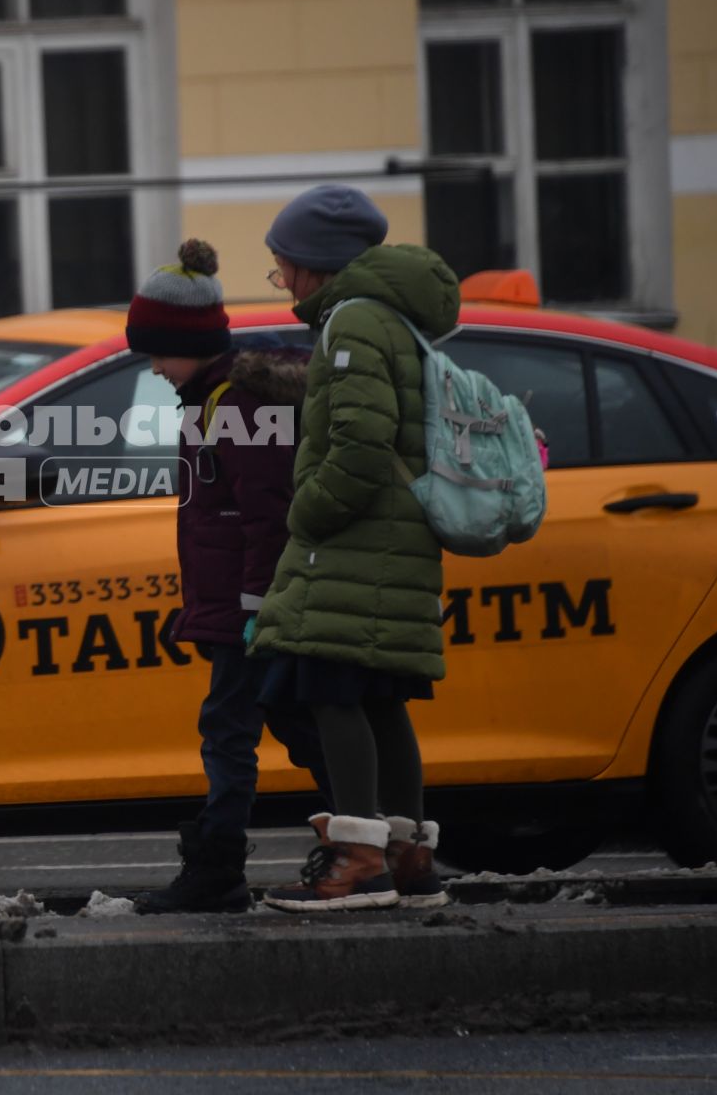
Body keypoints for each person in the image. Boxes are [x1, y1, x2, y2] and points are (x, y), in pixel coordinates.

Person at [248, 186, 460, 913]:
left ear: (316, 266)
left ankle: (360, 861)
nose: (283, 286)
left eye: (284, 269)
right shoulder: (389, 319)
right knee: (377, 695)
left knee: (333, 687)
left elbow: (361, 447)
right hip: (390, 544)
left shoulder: (353, 323)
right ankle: (409, 860)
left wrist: (306, 515)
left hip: (355, 546)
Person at [128, 238, 330, 915]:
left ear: (192, 343)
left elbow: (265, 515)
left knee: (233, 729)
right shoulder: (211, 399)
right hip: (239, 605)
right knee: (291, 722)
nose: (154, 367)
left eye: (160, 352)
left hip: (254, 610)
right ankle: (372, 835)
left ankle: (219, 867)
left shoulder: (238, 405)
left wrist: (253, 608)